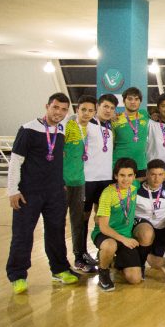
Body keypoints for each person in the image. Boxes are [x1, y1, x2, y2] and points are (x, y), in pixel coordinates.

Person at [7, 92, 78, 294]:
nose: (59, 112)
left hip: (55, 193)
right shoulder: (28, 129)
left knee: (56, 233)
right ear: (47, 106)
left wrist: (60, 182)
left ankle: (60, 269)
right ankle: (18, 275)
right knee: (23, 235)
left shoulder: (62, 130)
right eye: (56, 107)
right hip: (29, 193)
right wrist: (12, 190)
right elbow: (15, 162)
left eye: (64, 109)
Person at [92, 158, 142, 291]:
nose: (126, 179)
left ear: (134, 176)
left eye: (130, 175)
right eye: (122, 175)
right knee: (110, 245)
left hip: (124, 236)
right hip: (105, 234)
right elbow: (103, 227)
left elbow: (148, 179)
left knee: (135, 279)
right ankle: (103, 271)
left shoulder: (134, 186)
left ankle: (114, 260)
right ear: (115, 176)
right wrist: (124, 240)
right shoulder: (108, 194)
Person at [81, 93, 118, 269]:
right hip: (87, 179)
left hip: (105, 180)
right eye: (105, 106)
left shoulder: (110, 127)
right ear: (98, 107)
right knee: (82, 218)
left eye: (111, 108)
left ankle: (101, 251)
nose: (108, 110)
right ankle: (79, 254)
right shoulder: (86, 124)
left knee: (102, 218)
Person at [64, 95, 97, 274]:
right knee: (56, 224)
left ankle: (80, 256)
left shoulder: (91, 128)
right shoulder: (68, 126)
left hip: (80, 182)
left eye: (90, 110)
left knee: (78, 221)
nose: (86, 113)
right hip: (62, 183)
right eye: (83, 109)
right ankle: (60, 262)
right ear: (77, 110)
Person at [133, 159, 165, 276]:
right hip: (141, 225)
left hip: (160, 228)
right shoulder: (137, 187)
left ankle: (143, 251)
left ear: (164, 175)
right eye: (153, 174)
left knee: (157, 264)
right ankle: (140, 263)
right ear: (147, 174)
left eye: (160, 175)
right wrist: (143, 179)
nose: (156, 178)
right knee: (146, 233)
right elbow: (127, 181)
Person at [112, 87, 151, 177]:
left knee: (138, 191)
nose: (133, 102)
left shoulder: (144, 114)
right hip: (120, 166)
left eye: (136, 99)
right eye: (130, 99)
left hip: (140, 165)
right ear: (124, 101)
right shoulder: (115, 119)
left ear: (140, 102)